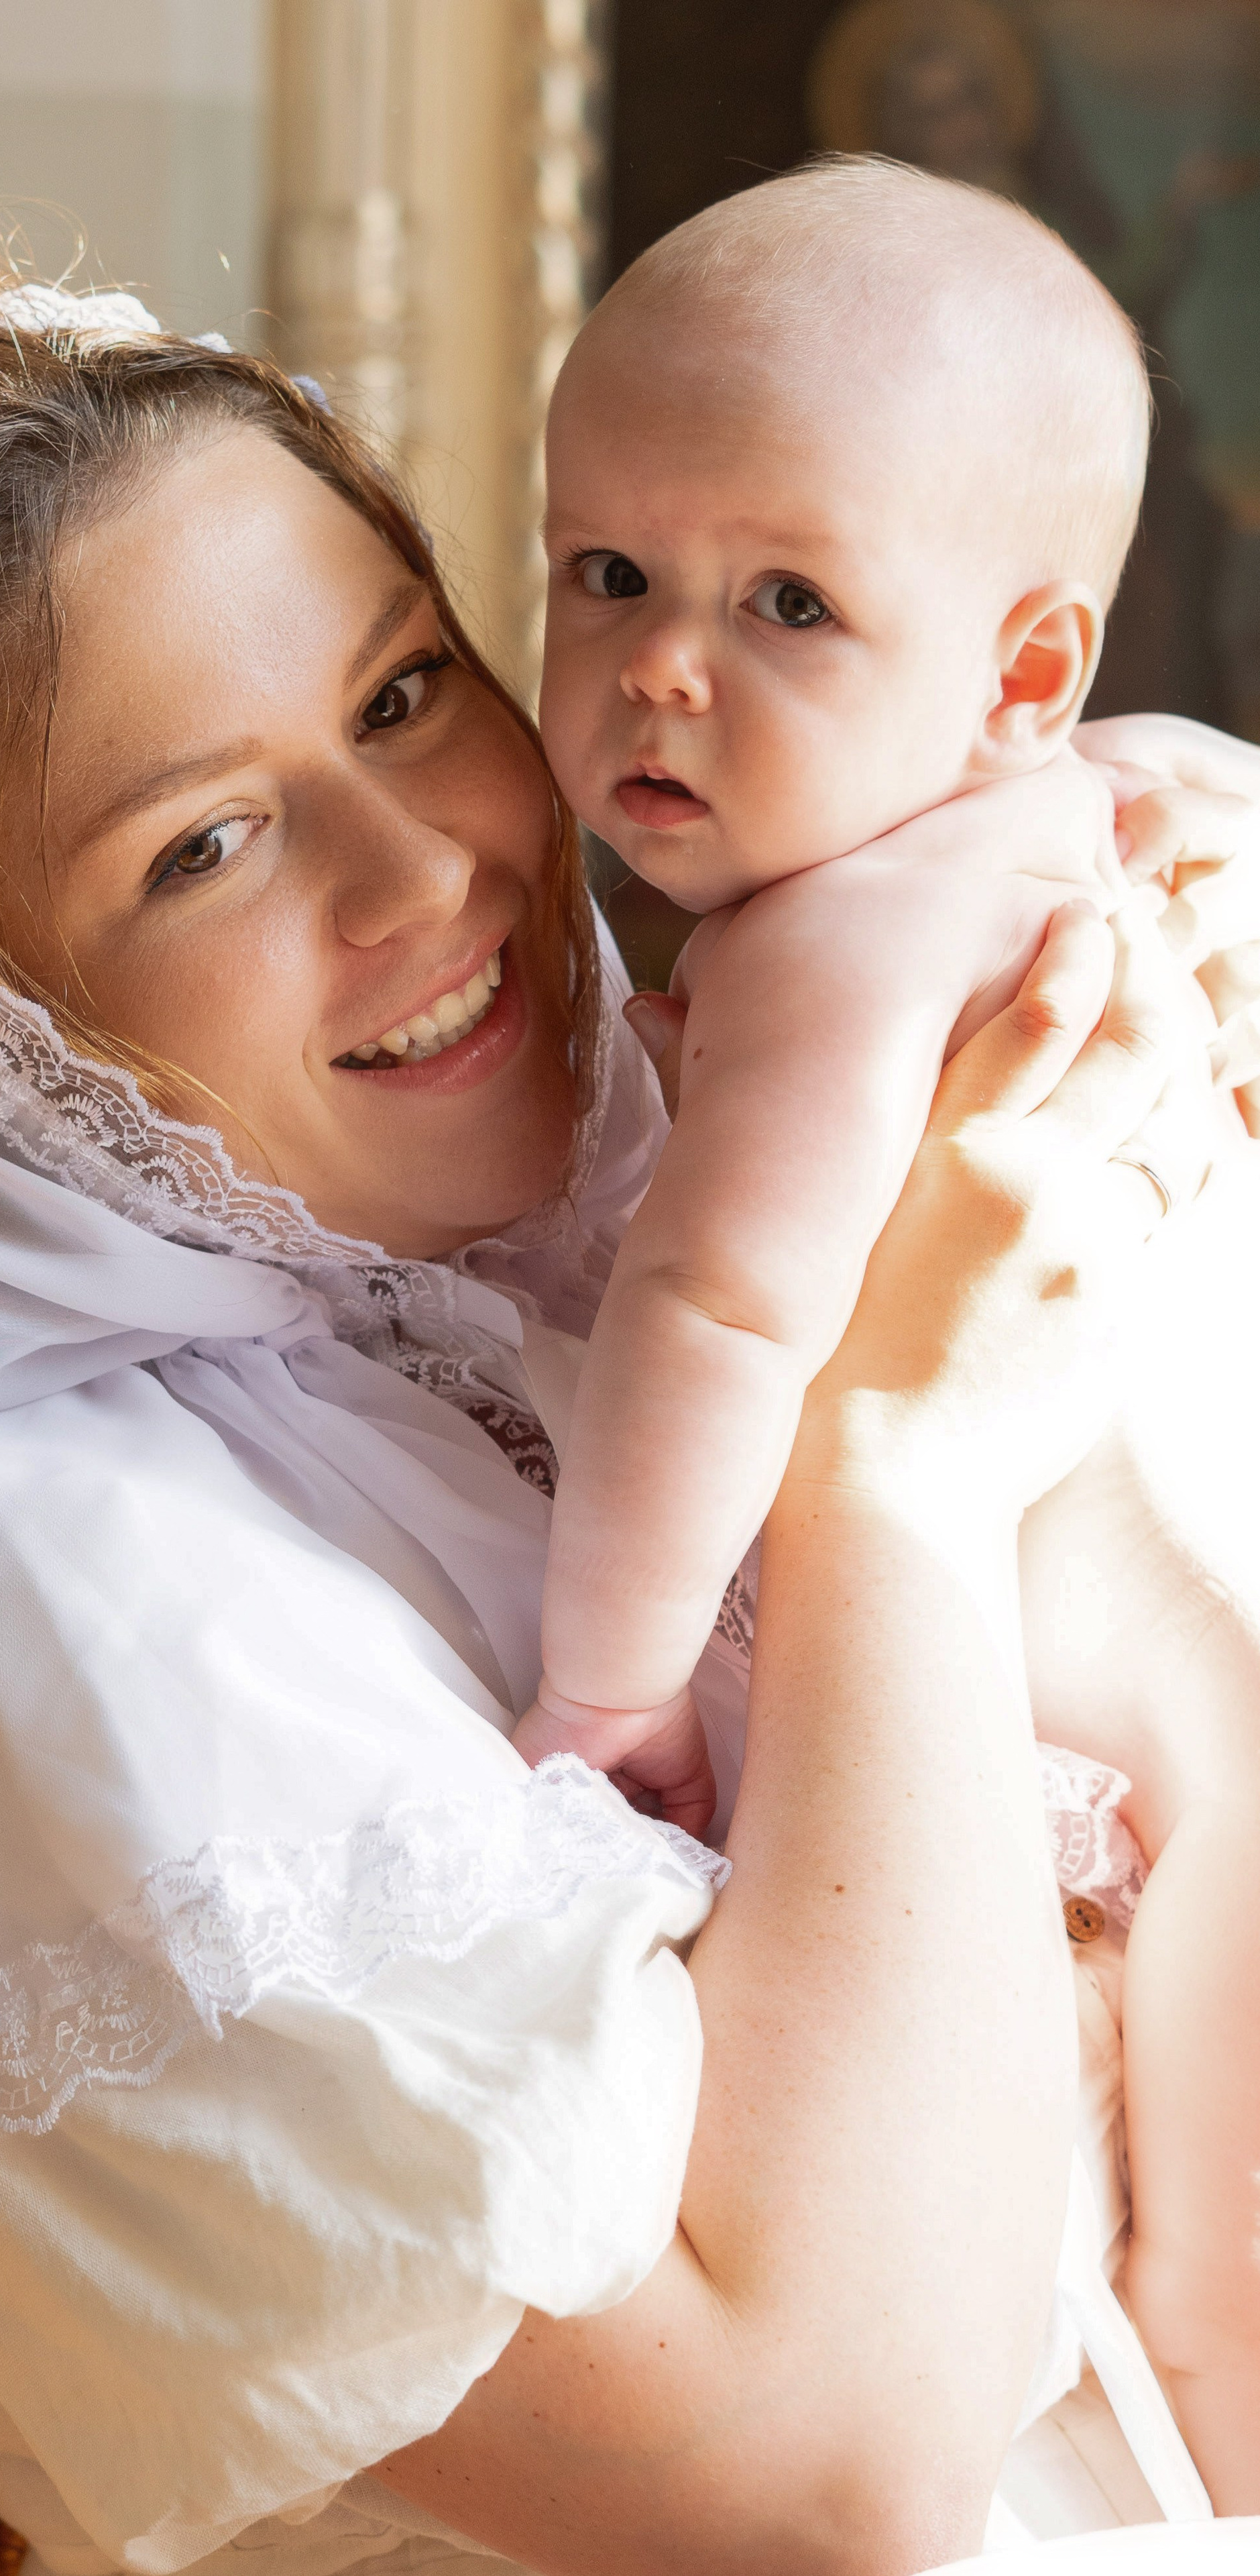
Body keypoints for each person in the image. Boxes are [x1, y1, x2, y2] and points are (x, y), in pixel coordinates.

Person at [0, 237, 1257, 2576]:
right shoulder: (15, 1598)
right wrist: (890, 1470)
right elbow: (830, 2479)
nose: (433, 870)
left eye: (408, 695)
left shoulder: (647, 1219)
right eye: (203, 844)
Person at [517, 160, 1260, 2509]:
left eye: (790, 603)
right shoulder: (1105, 791)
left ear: (1016, 669)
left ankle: (1220, 2423)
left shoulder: (846, 951)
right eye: (605, 572)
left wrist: (606, 1687)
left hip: (1100, 1604)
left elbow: (716, 1315)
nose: (661, 667)